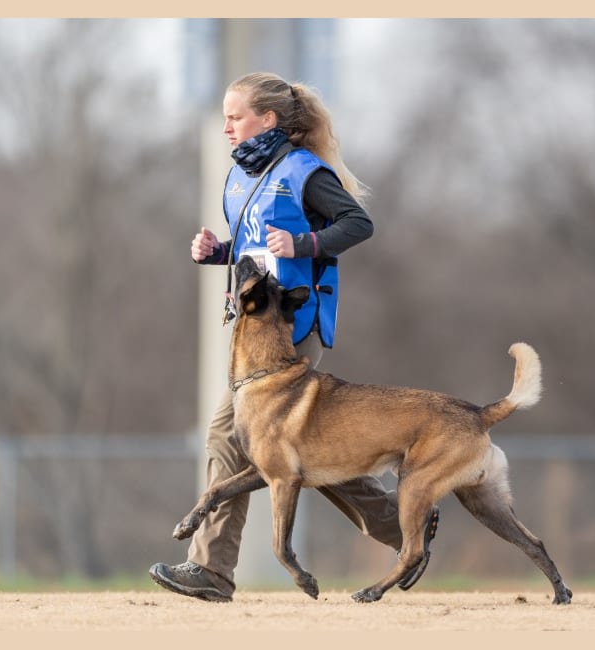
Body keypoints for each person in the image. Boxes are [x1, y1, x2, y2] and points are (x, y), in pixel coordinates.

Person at [149, 72, 438, 602]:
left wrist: (304, 242)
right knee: (309, 453)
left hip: (293, 329)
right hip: (252, 332)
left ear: (269, 119)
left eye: (235, 117)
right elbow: (255, 245)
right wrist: (219, 251)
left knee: (225, 435)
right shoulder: (240, 177)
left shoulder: (304, 171)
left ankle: (211, 571)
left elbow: (357, 223)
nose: (227, 127)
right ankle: (405, 531)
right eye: (224, 119)